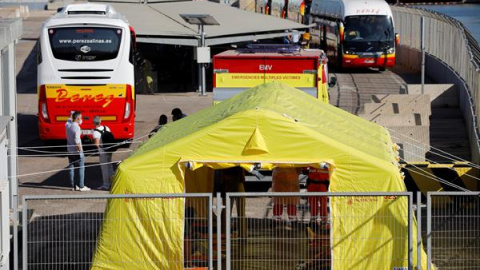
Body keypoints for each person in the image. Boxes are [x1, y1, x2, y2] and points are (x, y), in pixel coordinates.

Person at [213, 166, 246, 238]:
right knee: (239, 211)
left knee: (227, 210)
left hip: (229, 180)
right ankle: (241, 234)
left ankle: (225, 233)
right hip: (234, 180)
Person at [66, 111, 90, 191]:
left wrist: (71, 114)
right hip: (77, 151)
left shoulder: (68, 125)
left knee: (71, 168)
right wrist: (80, 151)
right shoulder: (77, 127)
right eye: (81, 118)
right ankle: (81, 186)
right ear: (78, 118)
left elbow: (68, 119)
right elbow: (77, 141)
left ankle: (72, 186)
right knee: (81, 168)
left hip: (69, 150)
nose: (81, 119)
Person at [93, 116, 114, 190]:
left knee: (104, 168)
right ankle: (113, 182)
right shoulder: (106, 128)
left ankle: (106, 184)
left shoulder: (95, 132)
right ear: (100, 121)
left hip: (103, 151)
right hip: (109, 149)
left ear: (94, 123)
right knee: (110, 166)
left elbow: (96, 144)